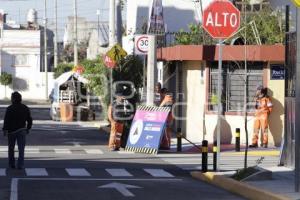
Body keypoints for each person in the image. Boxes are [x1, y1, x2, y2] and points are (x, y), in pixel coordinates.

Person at [2, 92, 32, 169]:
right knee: (21, 149)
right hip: (22, 130)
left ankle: (12, 164)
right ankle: (20, 164)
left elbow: (6, 120)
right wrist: (28, 128)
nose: (11, 99)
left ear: (13, 99)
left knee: (11, 149)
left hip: (11, 131)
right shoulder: (25, 107)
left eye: (11, 98)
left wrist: (5, 129)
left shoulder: (9, 108)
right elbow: (29, 119)